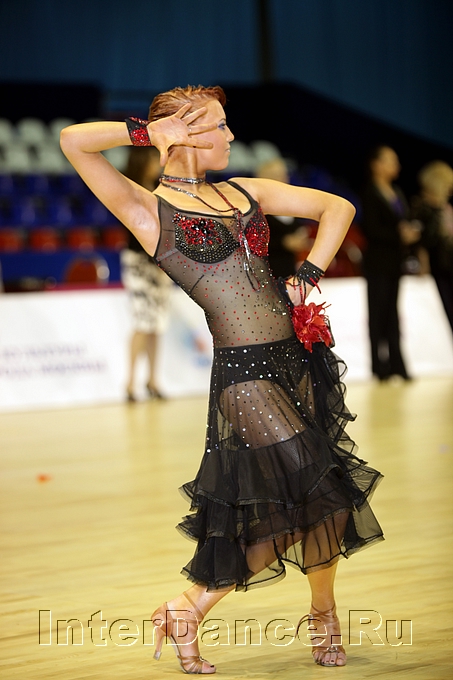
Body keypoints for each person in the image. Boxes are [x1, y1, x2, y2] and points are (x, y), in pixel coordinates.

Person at [60, 85, 384, 671]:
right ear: (185, 133)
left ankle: (322, 613)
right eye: (220, 125)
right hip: (244, 376)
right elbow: (73, 141)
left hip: (296, 360)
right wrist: (147, 133)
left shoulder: (244, 191)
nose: (231, 135)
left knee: (328, 500)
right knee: (322, 493)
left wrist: (309, 273)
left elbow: (338, 208)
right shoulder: (147, 209)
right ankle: (189, 606)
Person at [360, 145, 420, 381]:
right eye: (390, 161)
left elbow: (402, 222)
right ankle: (379, 365)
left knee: (393, 313)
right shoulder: (370, 192)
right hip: (377, 262)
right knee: (377, 312)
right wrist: (399, 235)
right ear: (376, 164)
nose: (396, 166)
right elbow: (371, 229)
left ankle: (397, 363)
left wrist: (409, 234)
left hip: (395, 261)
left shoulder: (396, 191)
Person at [120, 146, 172, 401]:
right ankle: (130, 383)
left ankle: (152, 380)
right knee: (142, 321)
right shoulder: (130, 191)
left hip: (160, 262)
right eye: (152, 159)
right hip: (140, 262)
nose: (157, 164)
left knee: (157, 323)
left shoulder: (160, 189)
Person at [411, 161, 453, 333]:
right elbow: (422, 241)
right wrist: (424, 262)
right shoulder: (424, 207)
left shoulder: (445, 207)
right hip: (439, 267)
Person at [255, 157, 309, 277]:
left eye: (284, 175)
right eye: (275, 176)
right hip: (265, 274)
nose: (282, 179)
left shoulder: (292, 206)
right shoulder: (255, 210)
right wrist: (283, 243)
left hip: (289, 272)